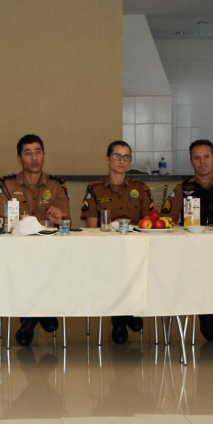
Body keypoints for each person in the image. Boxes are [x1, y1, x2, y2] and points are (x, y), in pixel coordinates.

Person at [160, 139, 213, 341]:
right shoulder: (182, 189)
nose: (202, 162)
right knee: (198, 275)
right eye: (197, 158)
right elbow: (166, 221)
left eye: (206, 156)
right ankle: (204, 315)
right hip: (194, 253)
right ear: (191, 162)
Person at [0, 134, 70, 346]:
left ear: (44, 155)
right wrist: (11, 218)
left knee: (49, 266)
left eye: (38, 152)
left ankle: (29, 320)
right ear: (19, 159)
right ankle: (41, 314)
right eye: (28, 153)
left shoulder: (56, 185)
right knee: (22, 269)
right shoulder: (7, 184)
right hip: (17, 253)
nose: (34, 157)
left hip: (50, 254)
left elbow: (67, 220)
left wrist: (58, 217)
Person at [80, 140, 156, 344]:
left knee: (133, 264)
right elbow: (92, 227)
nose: (121, 161)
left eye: (126, 157)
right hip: (107, 251)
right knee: (116, 266)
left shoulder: (141, 188)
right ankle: (123, 317)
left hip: (137, 249)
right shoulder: (95, 188)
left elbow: (150, 223)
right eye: (116, 156)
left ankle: (125, 315)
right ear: (107, 158)